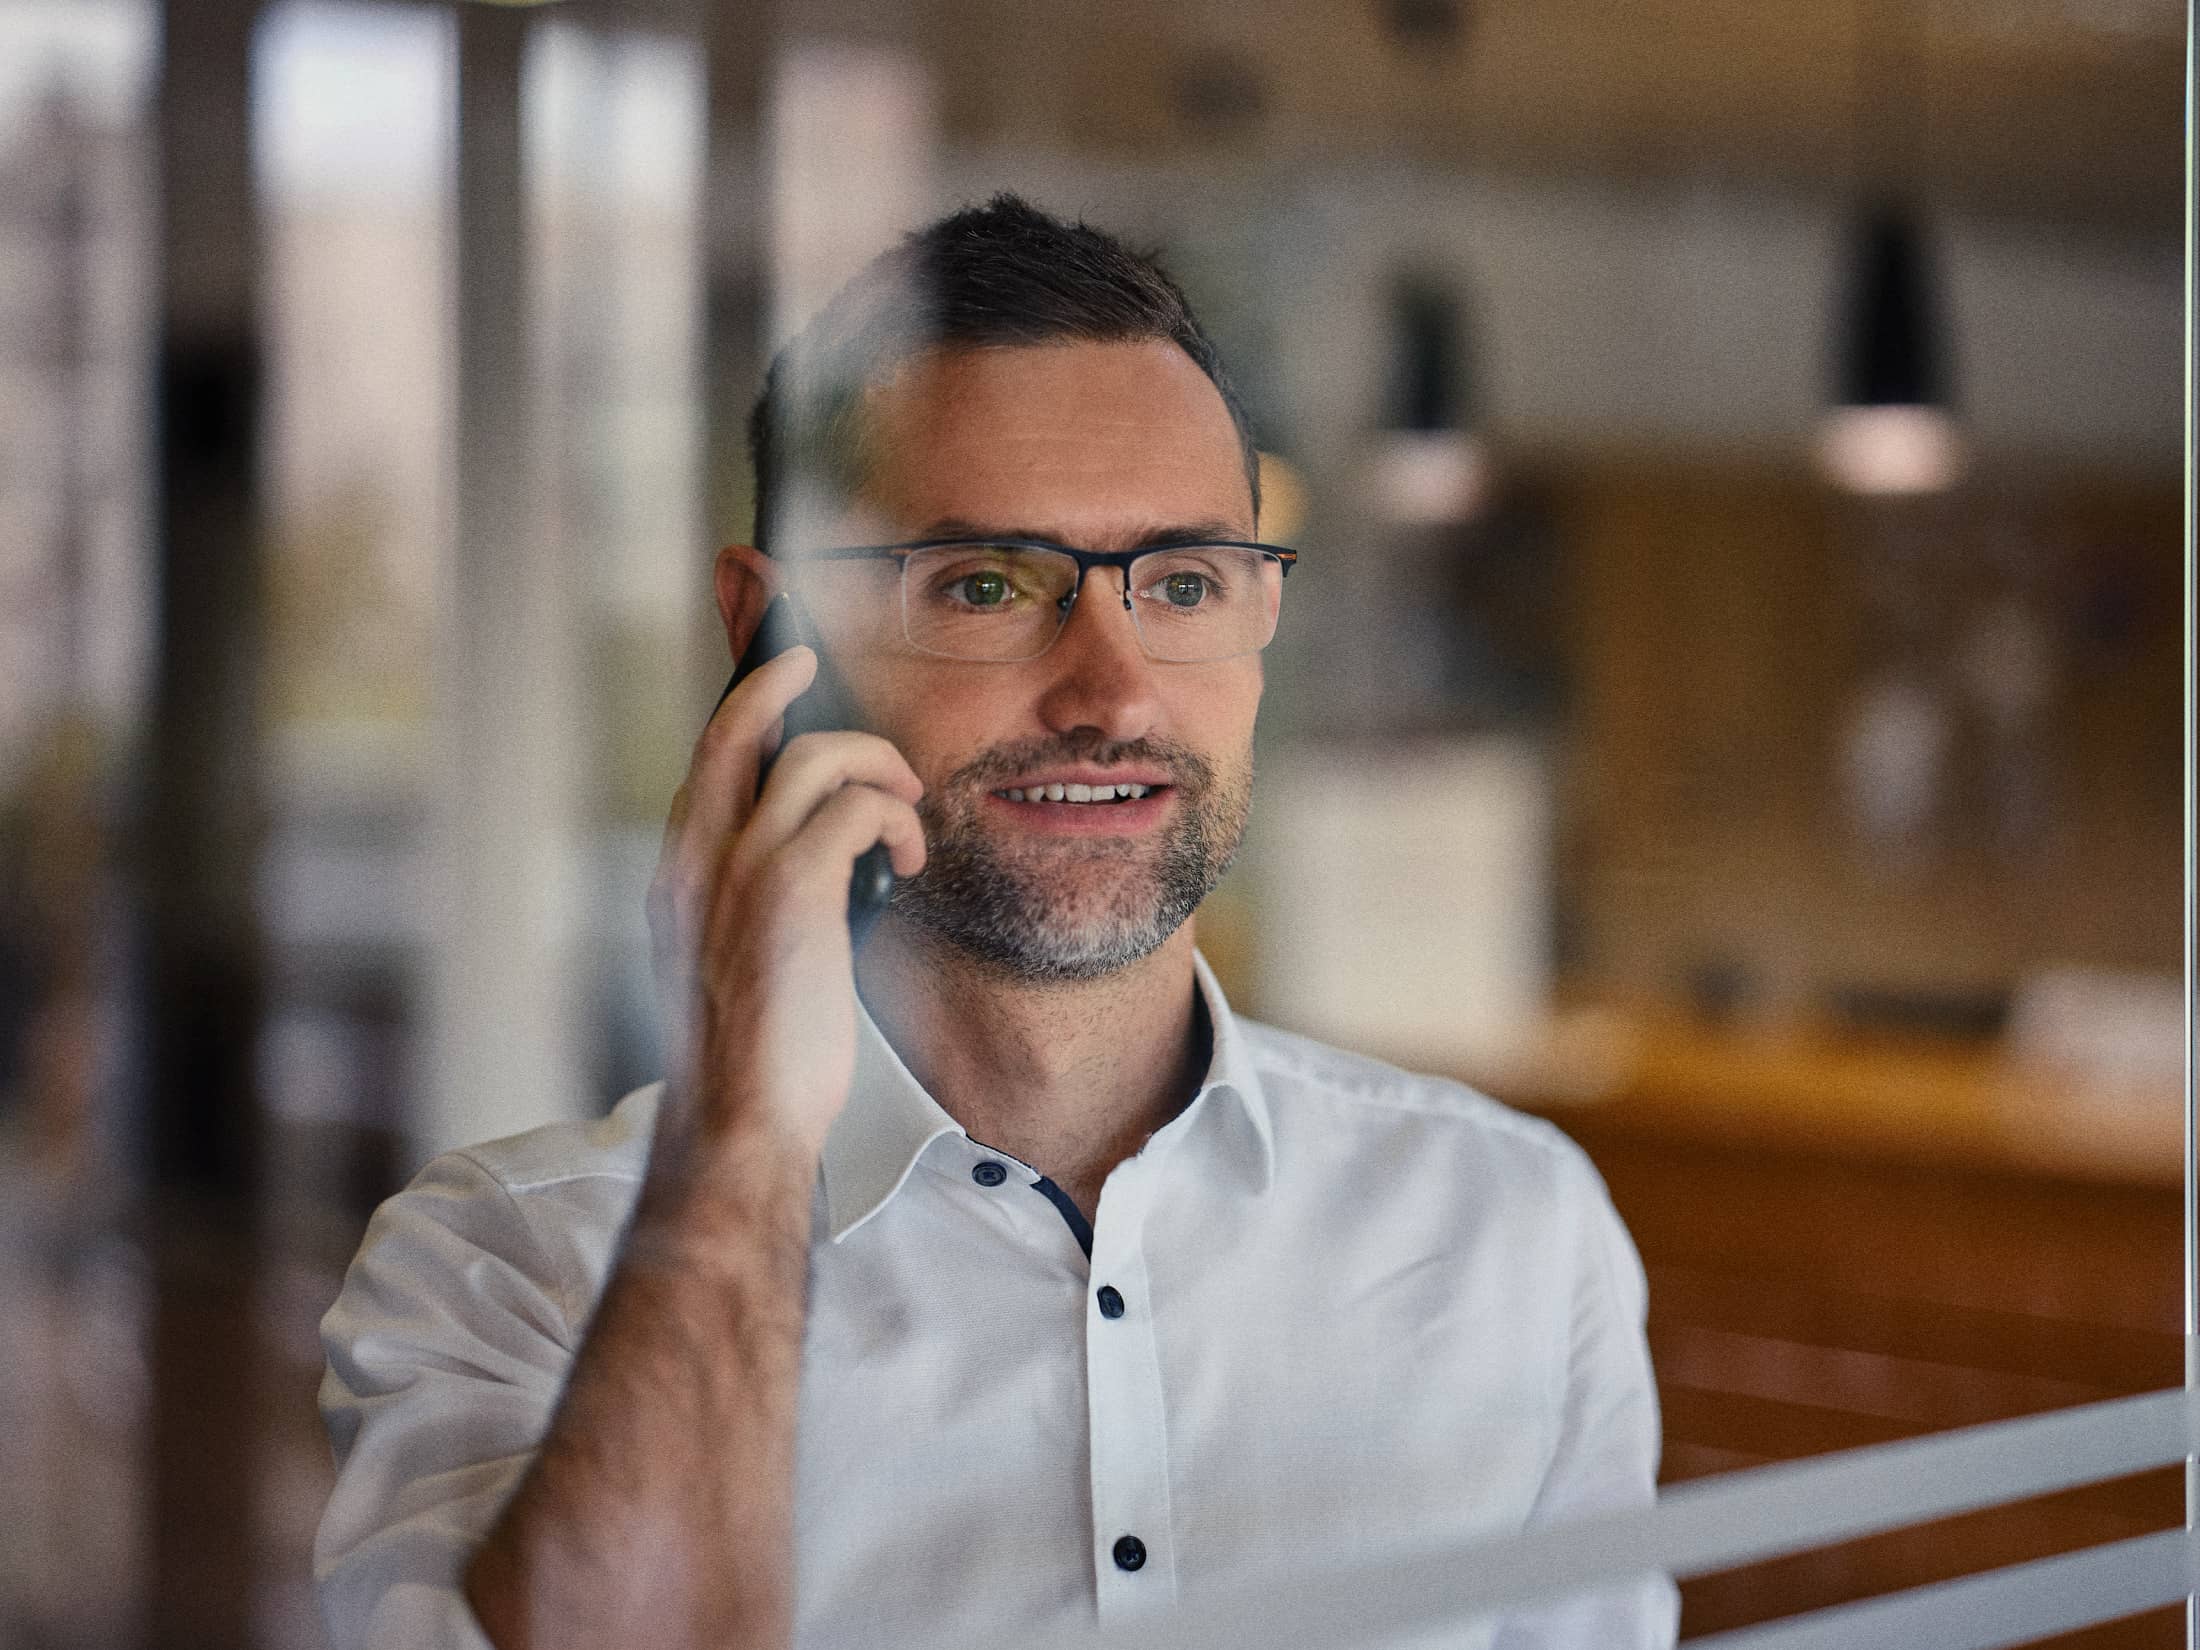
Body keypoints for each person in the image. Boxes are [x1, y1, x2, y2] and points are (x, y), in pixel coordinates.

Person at [315, 194, 1676, 1650]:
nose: (1114, 691)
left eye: (1185, 582)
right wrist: (735, 1156)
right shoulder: (508, 1271)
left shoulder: (1514, 1238)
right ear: (768, 637)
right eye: (986, 583)